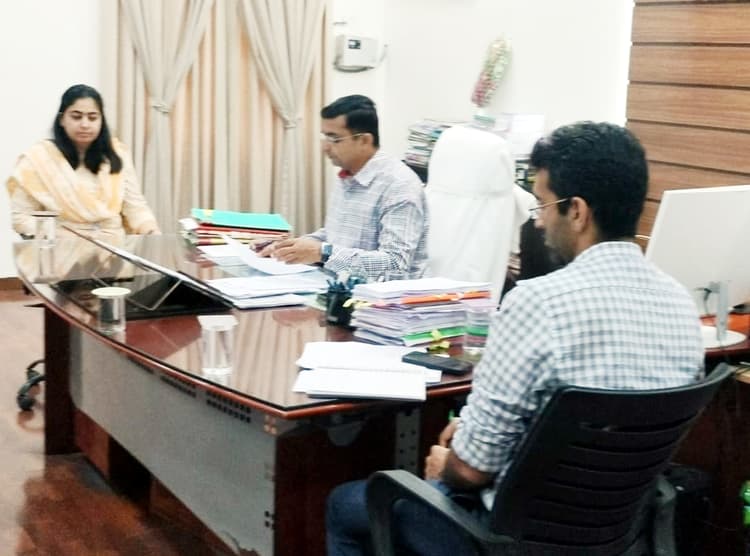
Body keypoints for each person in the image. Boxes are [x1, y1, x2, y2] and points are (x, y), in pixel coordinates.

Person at [325, 121, 705, 555]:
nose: (538, 220)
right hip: (619, 536)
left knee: (345, 506)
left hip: (504, 538)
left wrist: (449, 463)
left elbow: (472, 470)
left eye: (543, 204)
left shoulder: (536, 303)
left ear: (577, 211)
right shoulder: (681, 306)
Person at [260, 95, 428, 281]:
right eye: (325, 137)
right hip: (335, 285)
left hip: (378, 295)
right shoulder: (348, 174)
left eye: (334, 139)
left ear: (364, 140)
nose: (325, 147)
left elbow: (395, 264)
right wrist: (289, 248)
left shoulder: (399, 185)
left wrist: (323, 253)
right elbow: (336, 236)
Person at [7, 84, 160, 241]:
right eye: (76, 117)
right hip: (63, 248)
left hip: (114, 248)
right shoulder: (39, 159)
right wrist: (61, 235)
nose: (85, 124)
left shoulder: (118, 154)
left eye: (92, 117)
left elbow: (136, 208)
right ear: (62, 119)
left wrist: (151, 232)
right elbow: (21, 218)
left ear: (101, 121)